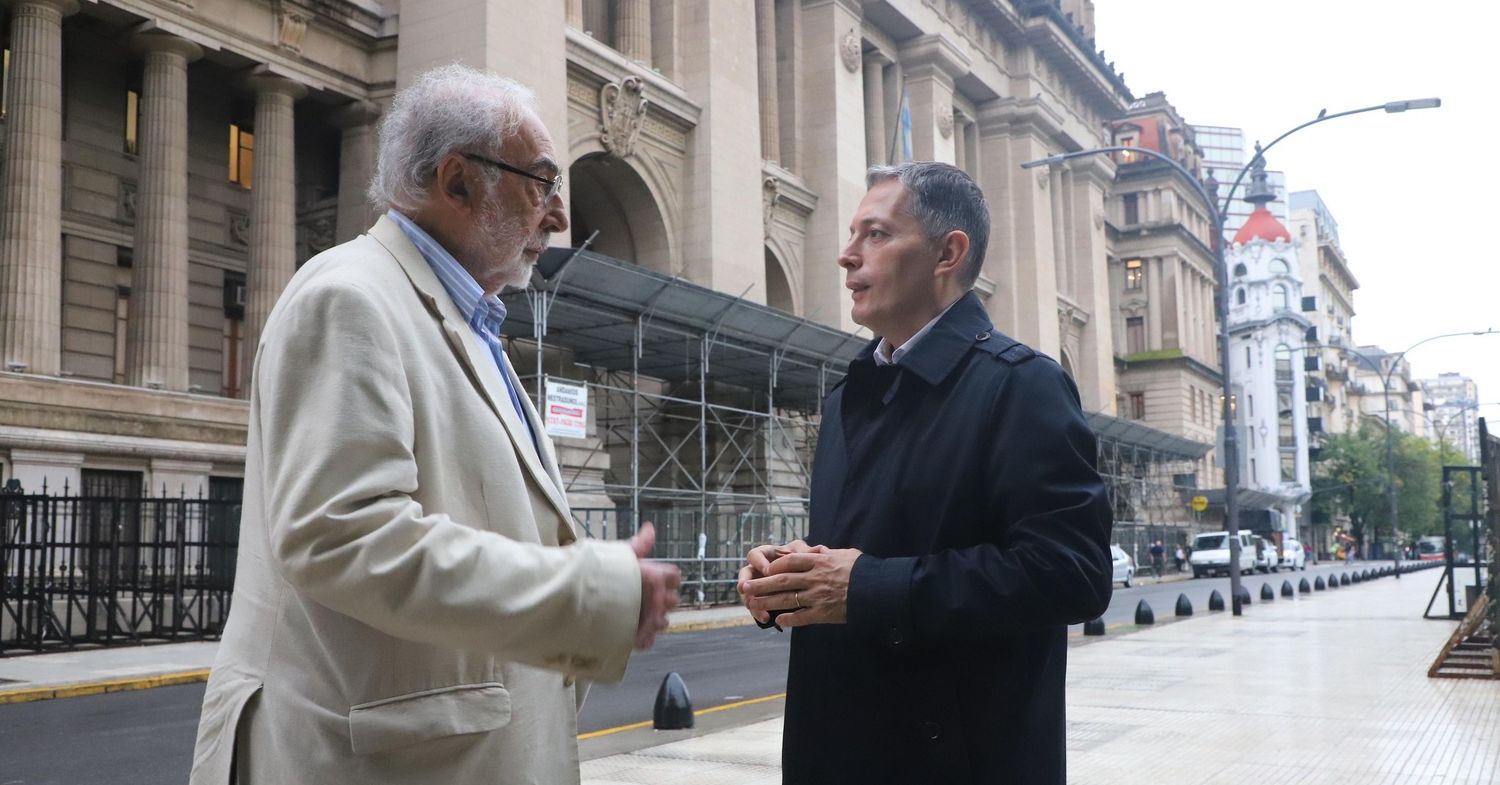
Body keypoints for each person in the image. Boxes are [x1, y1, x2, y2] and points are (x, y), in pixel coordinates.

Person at [189, 66, 681, 785]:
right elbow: (343, 534)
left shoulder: (465, 321)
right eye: (542, 183)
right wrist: (585, 592)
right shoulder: (348, 297)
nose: (559, 217)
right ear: (458, 182)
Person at [737, 162, 1113, 784]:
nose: (847, 255)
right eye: (853, 233)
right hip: (832, 750)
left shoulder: (1021, 386)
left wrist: (866, 587)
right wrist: (788, 581)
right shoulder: (846, 396)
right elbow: (857, 562)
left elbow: (1071, 574)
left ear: (948, 252)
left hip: (958, 760)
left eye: (876, 235)